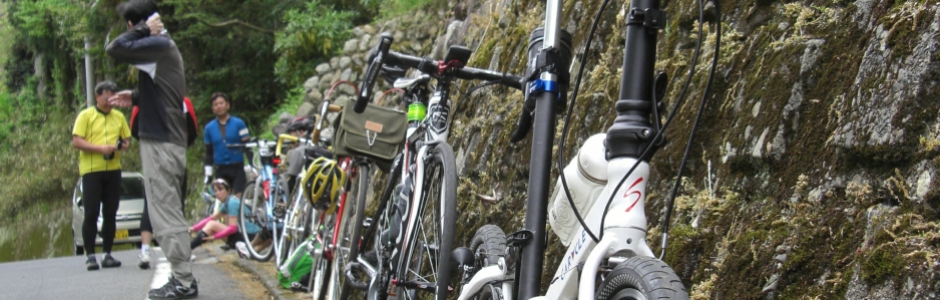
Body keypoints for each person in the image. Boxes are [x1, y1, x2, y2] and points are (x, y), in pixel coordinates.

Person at [106, 1, 197, 298]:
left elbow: (115, 49)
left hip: (163, 143)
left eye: (129, 26)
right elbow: (166, 92)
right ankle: (182, 278)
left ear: (134, 25)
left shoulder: (157, 44)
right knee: (164, 211)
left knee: (165, 213)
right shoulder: (162, 49)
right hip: (166, 139)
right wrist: (135, 96)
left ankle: (183, 282)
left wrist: (144, 29)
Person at [71, 80, 131, 271]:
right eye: (106, 97)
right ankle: (90, 256)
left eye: (113, 97)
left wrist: (121, 145)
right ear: (97, 96)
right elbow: (77, 141)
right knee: (91, 213)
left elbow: (127, 142)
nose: (110, 101)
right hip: (91, 170)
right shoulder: (86, 115)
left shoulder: (119, 116)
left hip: (113, 169)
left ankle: (107, 254)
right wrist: (99, 149)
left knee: (110, 212)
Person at [203, 92, 252, 199]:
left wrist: (252, 165)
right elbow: (208, 152)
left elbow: (247, 146)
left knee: (239, 198)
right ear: (212, 108)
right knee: (222, 200)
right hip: (220, 168)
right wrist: (208, 174)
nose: (219, 106)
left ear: (227, 105)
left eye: (221, 103)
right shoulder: (208, 128)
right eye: (215, 104)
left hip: (237, 167)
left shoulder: (239, 123)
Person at [189, 179, 261, 250]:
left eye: (220, 189)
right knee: (211, 224)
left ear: (228, 190)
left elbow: (233, 229)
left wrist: (214, 237)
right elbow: (212, 218)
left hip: (250, 237)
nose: (217, 193)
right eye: (215, 191)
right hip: (247, 236)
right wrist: (193, 228)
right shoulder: (229, 201)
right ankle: (188, 249)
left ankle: (187, 250)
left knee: (212, 225)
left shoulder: (232, 203)